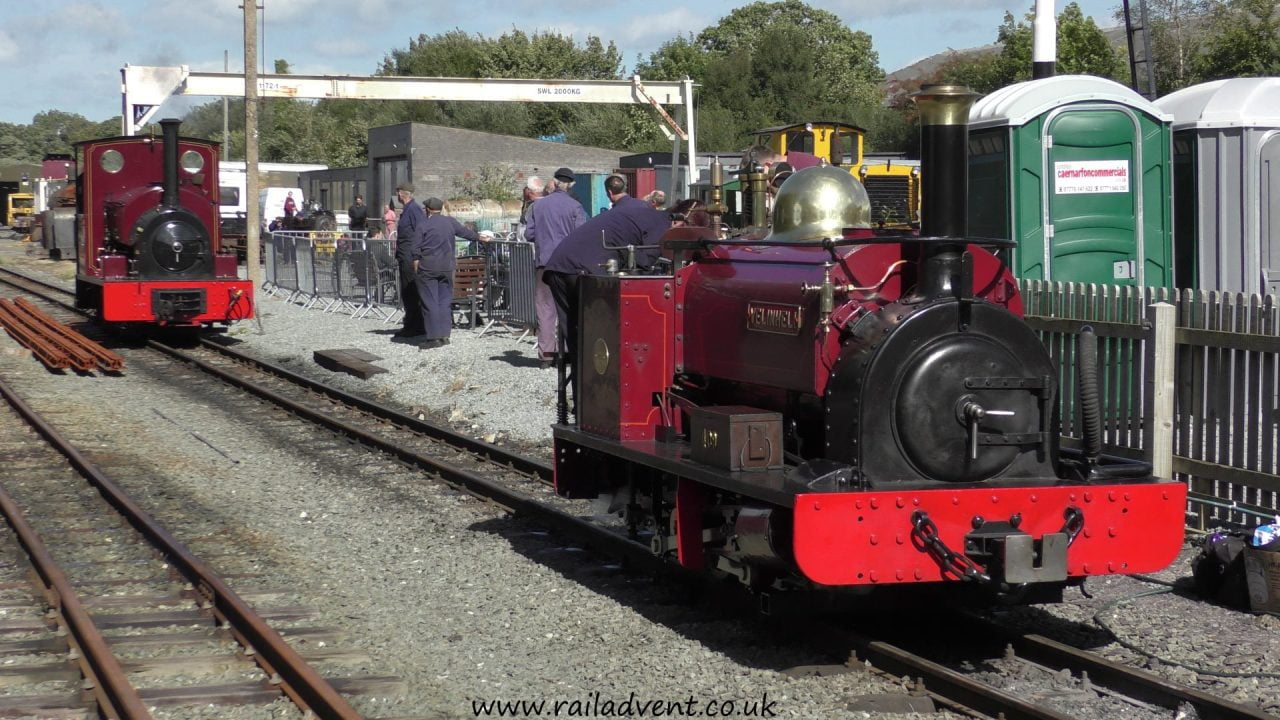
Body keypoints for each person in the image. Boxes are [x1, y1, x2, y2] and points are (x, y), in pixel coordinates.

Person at [543, 173, 670, 388]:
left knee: (575, 334)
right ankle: (595, 396)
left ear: (609, 193)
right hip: (581, 270)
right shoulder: (659, 219)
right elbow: (645, 260)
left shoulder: (621, 211)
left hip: (558, 265)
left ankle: (581, 400)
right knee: (596, 333)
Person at [524, 167, 586, 367]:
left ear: (555, 182)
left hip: (544, 262)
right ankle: (568, 353)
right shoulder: (575, 207)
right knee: (568, 308)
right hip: (568, 265)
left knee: (545, 309)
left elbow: (529, 234)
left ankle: (546, 355)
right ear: (571, 184)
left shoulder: (537, 206)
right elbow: (580, 236)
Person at [413, 197, 479, 349]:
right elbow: (466, 233)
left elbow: (415, 249)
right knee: (444, 300)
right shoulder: (450, 222)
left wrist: (416, 264)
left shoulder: (423, 224)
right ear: (441, 209)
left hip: (428, 267)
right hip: (447, 266)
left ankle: (433, 337)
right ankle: (444, 335)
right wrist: (480, 237)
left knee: (430, 301)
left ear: (428, 210)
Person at [392, 184, 427, 341]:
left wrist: (417, 256)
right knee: (407, 291)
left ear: (400, 194)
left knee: (411, 290)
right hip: (404, 255)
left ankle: (415, 326)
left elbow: (421, 232)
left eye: (397, 193)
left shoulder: (414, 210)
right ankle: (411, 323)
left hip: (410, 257)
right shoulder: (408, 210)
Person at [516, 176, 544, 242]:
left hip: (529, 245)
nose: (523, 190)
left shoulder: (534, 206)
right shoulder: (543, 203)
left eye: (525, 188)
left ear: (528, 190)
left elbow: (527, 227)